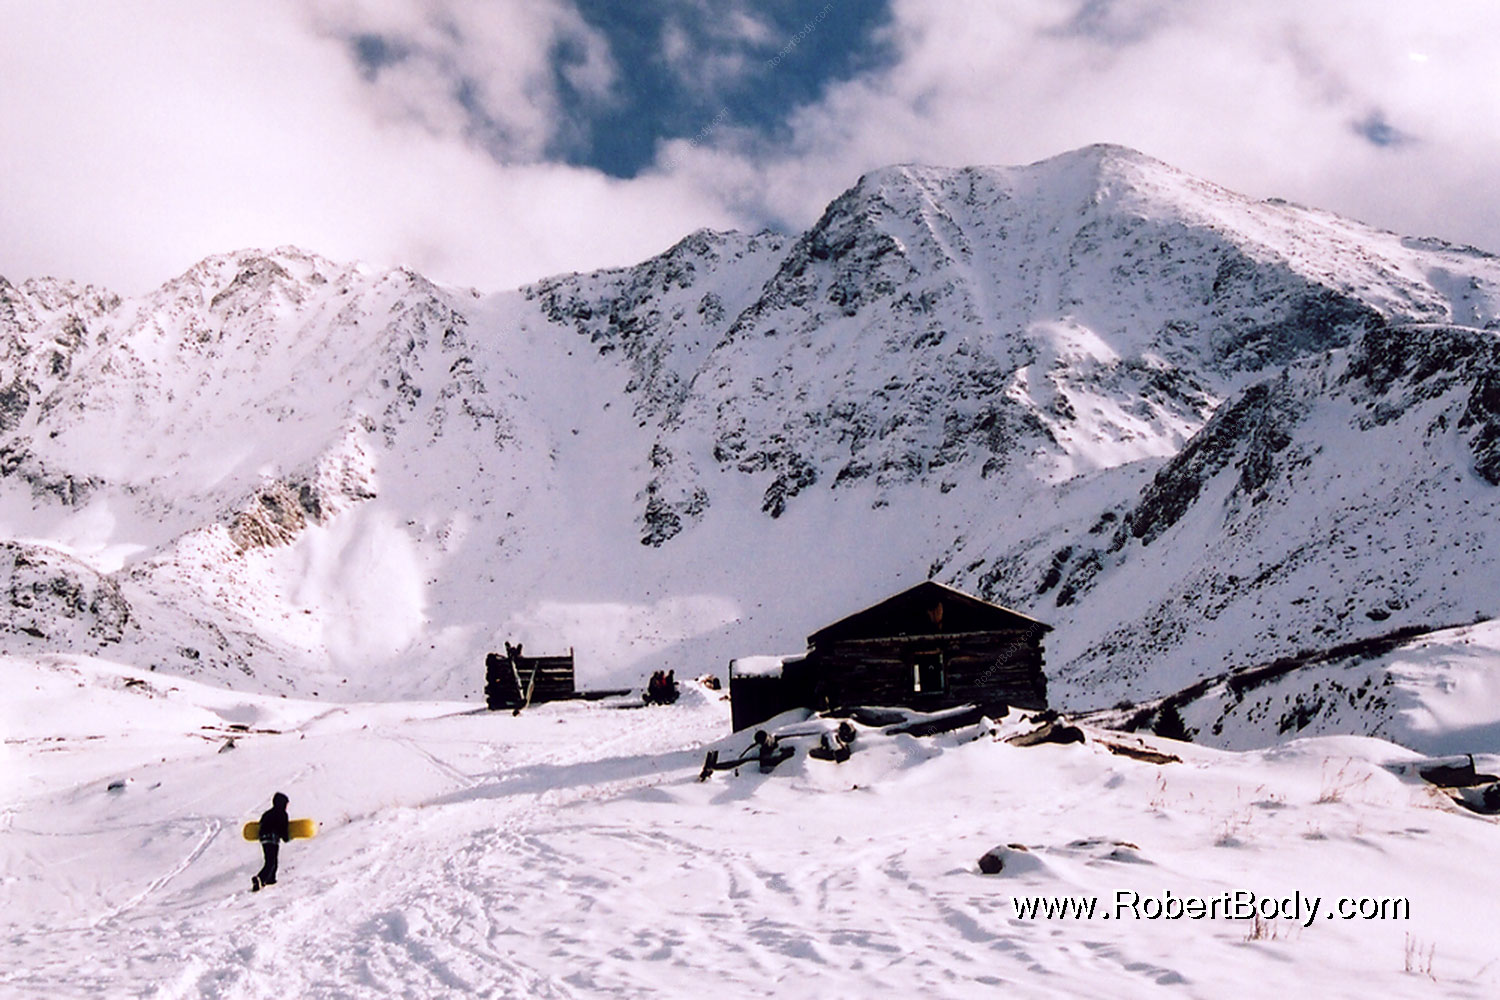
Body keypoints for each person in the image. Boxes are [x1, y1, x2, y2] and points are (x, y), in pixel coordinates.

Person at [252, 792, 291, 891]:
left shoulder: (267, 813)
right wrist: (286, 838)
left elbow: (261, 824)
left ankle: (270, 879)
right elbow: (283, 828)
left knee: (271, 860)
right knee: (271, 862)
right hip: (273, 839)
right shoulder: (282, 814)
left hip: (264, 839)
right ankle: (260, 878)